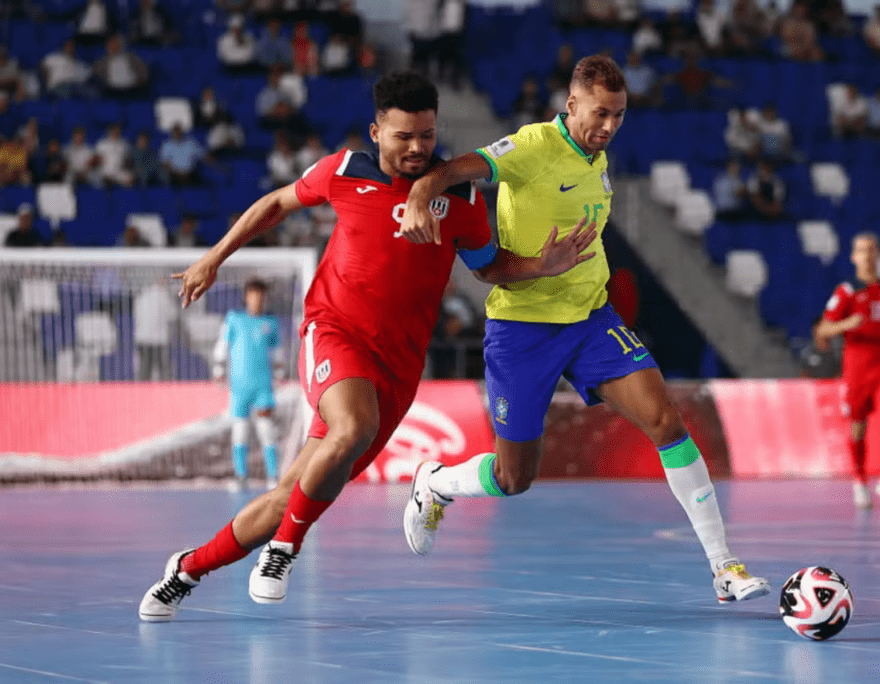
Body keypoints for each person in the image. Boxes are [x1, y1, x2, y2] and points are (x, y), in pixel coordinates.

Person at [138, 72, 596, 621]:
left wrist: (537, 266)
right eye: (403, 136)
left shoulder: (462, 199)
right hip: (334, 332)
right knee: (350, 430)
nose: (417, 148)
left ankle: (186, 570)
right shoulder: (343, 171)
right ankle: (285, 551)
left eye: (426, 135)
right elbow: (276, 203)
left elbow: (488, 267)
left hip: (398, 367)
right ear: (376, 132)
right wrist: (215, 257)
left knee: (292, 496)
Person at [398, 55, 770, 604]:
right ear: (571, 106)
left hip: (591, 320)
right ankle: (435, 483)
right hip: (522, 329)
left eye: (620, 116)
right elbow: (446, 172)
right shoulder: (529, 148)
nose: (610, 127)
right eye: (600, 114)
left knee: (666, 420)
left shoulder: (597, 159)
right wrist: (414, 201)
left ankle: (724, 567)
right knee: (513, 477)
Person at [816, 233, 880, 509]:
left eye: (872, 250)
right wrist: (846, 324)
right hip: (858, 366)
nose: (868, 255)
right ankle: (860, 481)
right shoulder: (846, 291)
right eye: (862, 250)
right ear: (854, 256)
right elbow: (823, 330)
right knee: (858, 427)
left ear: (879, 255)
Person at [213, 278, 282, 490]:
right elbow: (222, 345)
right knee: (240, 430)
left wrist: (279, 371)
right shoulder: (234, 319)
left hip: (262, 386)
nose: (257, 300)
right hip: (239, 386)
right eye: (253, 295)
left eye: (260, 295)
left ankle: (273, 478)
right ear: (246, 297)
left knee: (266, 430)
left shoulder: (270, 323)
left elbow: (278, 352)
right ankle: (241, 477)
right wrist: (219, 368)